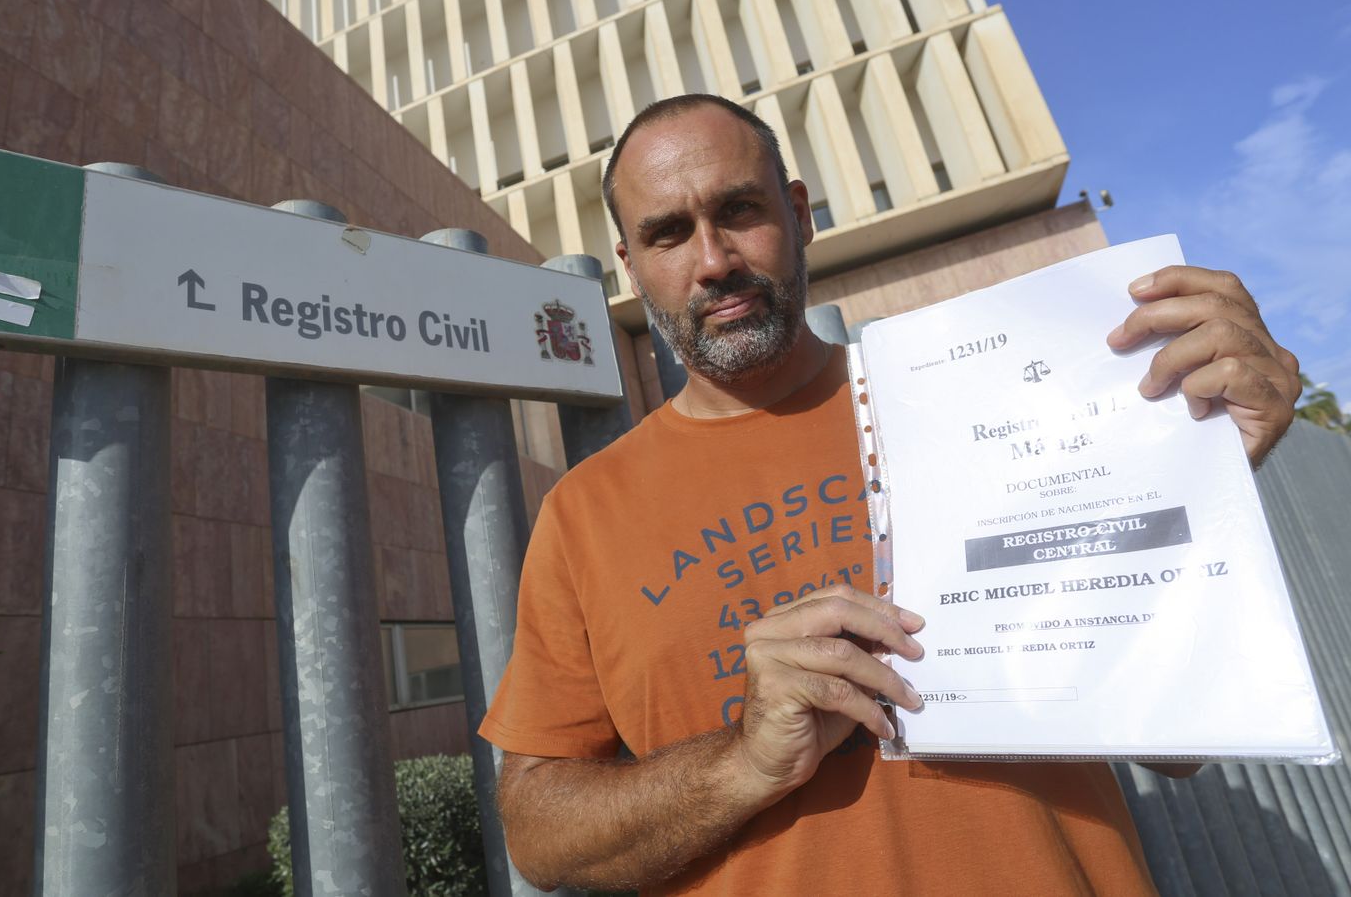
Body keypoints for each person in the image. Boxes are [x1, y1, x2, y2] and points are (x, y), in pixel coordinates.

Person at [478, 94, 1301, 894]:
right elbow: (539, 835)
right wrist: (743, 759)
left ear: (800, 215)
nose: (714, 260)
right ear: (631, 264)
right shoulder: (584, 511)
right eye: (667, 233)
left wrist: (1204, 474)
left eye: (739, 209)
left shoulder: (987, 405)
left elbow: (1177, 743)